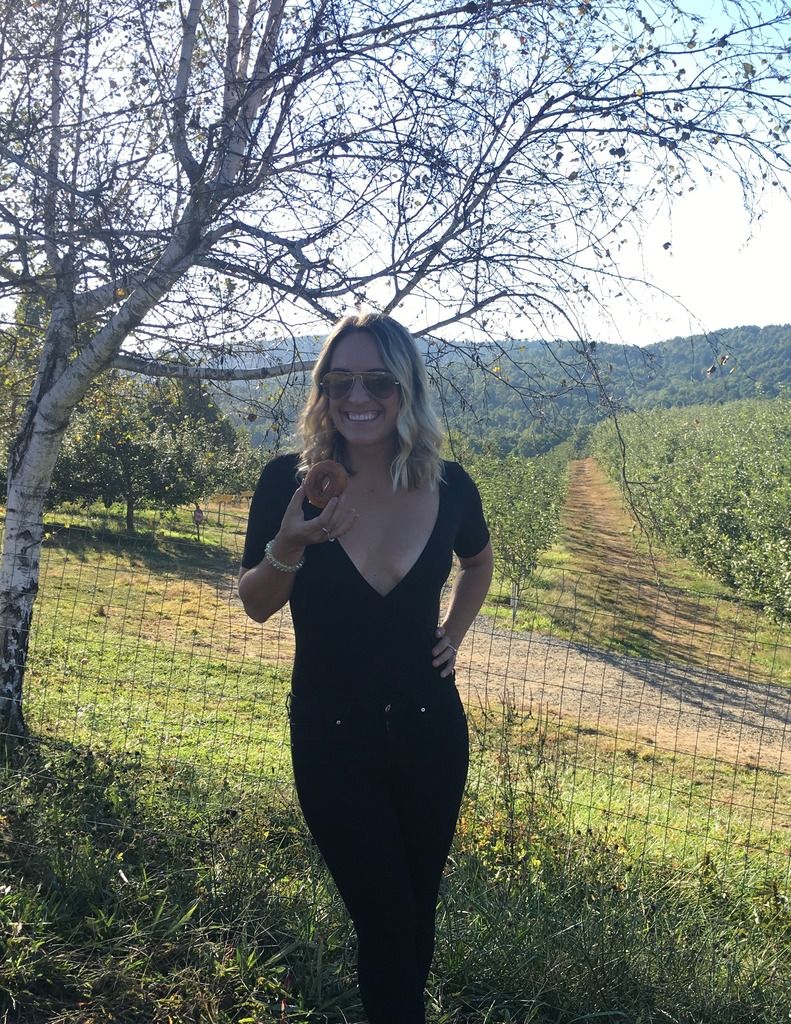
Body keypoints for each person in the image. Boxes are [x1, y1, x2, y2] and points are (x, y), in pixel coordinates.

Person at [238, 313, 493, 1023]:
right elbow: (257, 605)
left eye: (378, 379)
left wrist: (456, 632)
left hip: (429, 732)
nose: (359, 395)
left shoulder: (451, 486)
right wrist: (290, 540)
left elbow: (478, 563)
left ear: (405, 388)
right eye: (339, 379)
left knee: (414, 912)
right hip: (331, 736)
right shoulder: (290, 485)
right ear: (322, 391)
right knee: (385, 917)